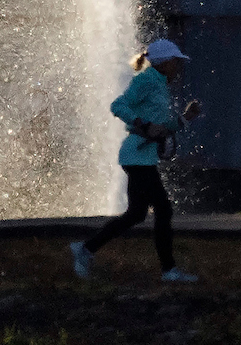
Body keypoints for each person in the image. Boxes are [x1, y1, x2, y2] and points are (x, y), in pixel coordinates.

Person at [69, 37, 203, 283]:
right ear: (164, 63)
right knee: (163, 208)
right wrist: (142, 124)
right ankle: (169, 270)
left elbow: (162, 129)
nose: (178, 67)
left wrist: (185, 118)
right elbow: (118, 105)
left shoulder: (159, 84)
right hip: (137, 156)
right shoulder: (146, 81)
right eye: (176, 62)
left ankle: (85, 249)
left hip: (142, 156)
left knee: (136, 214)